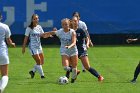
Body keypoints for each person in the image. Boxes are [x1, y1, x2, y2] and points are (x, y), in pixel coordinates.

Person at [66, 16, 104, 81]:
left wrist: (87, 44)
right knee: (69, 66)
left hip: (81, 50)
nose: (74, 22)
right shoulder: (69, 31)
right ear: (71, 22)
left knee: (87, 67)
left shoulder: (80, 30)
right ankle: (67, 78)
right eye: (73, 21)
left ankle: (99, 76)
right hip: (73, 50)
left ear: (78, 22)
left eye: (75, 21)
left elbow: (87, 39)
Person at [42, 18, 78, 83]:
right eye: (63, 25)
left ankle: (73, 79)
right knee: (65, 67)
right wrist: (45, 34)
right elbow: (52, 33)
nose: (65, 26)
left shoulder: (72, 32)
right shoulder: (60, 31)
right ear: (62, 25)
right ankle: (74, 71)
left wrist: (69, 46)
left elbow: (74, 42)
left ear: (69, 24)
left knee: (74, 68)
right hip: (64, 51)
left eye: (66, 24)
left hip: (73, 51)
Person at [22, 14, 45, 79]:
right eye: (34, 19)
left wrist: (49, 35)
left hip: (39, 46)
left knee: (42, 61)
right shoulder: (29, 28)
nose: (35, 20)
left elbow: (43, 35)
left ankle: (32, 71)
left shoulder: (39, 27)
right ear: (32, 20)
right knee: (39, 61)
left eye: (37, 18)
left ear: (38, 19)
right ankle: (42, 76)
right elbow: (26, 38)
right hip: (33, 47)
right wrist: (23, 47)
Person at [0, 12, 16, 93]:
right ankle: (1, 88)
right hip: (2, 52)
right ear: (1, 17)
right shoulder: (5, 26)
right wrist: (12, 44)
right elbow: (9, 42)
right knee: (5, 75)